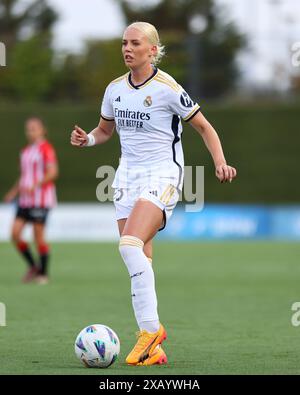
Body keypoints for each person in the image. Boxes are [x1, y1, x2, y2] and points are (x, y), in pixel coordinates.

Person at [70, 21, 237, 366]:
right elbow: (104, 130)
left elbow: (204, 127)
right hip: (126, 178)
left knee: (128, 244)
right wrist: (87, 139)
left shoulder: (167, 88)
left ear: (152, 50)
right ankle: (153, 348)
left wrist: (220, 162)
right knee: (140, 259)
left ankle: (151, 331)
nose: (127, 48)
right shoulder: (114, 88)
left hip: (162, 174)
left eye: (135, 43)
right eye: (124, 43)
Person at [4, 117, 58, 285]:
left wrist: (37, 184)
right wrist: (13, 192)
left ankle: (43, 273)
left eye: (34, 128)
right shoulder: (26, 151)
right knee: (14, 234)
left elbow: (53, 172)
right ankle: (33, 266)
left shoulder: (46, 149)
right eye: (28, 129)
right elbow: (24, 176)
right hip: (25, 201)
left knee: (38, 237)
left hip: (41, 201)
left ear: (43, 130)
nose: (30, 132)